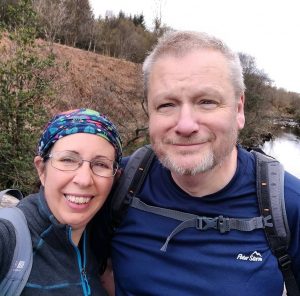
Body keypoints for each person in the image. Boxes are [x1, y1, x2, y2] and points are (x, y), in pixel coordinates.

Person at [108, 31, 300, 295]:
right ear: (149, 111)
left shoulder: (287, 205)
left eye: (206, 102)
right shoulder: (117, 185)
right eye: (166, 104)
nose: (185, 125)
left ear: (239, 109)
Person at [0, 108, 122, 295]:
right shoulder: (9, 239)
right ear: (42, 169)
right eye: (68, 160)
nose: (84, 180)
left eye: (100, 164)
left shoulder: (102, 243)